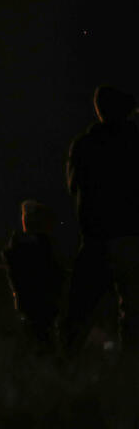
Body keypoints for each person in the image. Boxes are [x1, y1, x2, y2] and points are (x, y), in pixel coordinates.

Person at [61, 86, 139, 356]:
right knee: (132, 309)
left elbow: (74, 186)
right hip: (130, 236)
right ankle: (130, 367)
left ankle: (63, 363)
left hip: (96, 236)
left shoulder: (85, 144)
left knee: (79, 308)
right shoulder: (134, 142)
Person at [1, 200, 66, 355]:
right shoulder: (40, 246)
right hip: (39, 306)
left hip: (36, 306)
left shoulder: (23, 245)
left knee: (36, 342)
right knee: (41, 343)